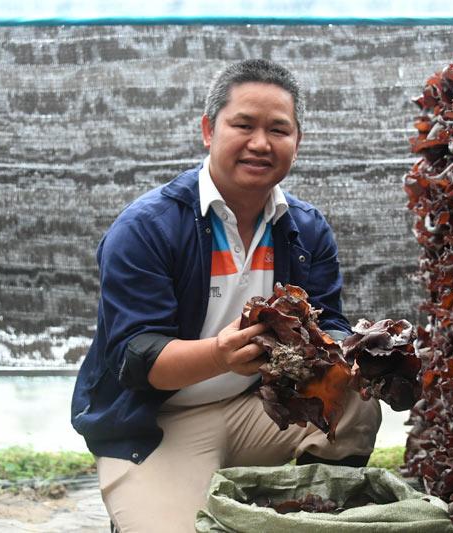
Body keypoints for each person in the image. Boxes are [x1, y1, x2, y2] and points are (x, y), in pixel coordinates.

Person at [70, 59, 382, 532]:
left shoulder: (307, 229)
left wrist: (359, 350)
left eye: (279, 129)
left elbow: (328, 322)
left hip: (262, 410)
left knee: (355, 393)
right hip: (160, 424)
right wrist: (220, 354)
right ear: (208, 131)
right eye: (243, 125)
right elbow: (137, 358)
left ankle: (311, 511)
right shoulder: (147, 228)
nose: (260, 143)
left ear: (298, 140)